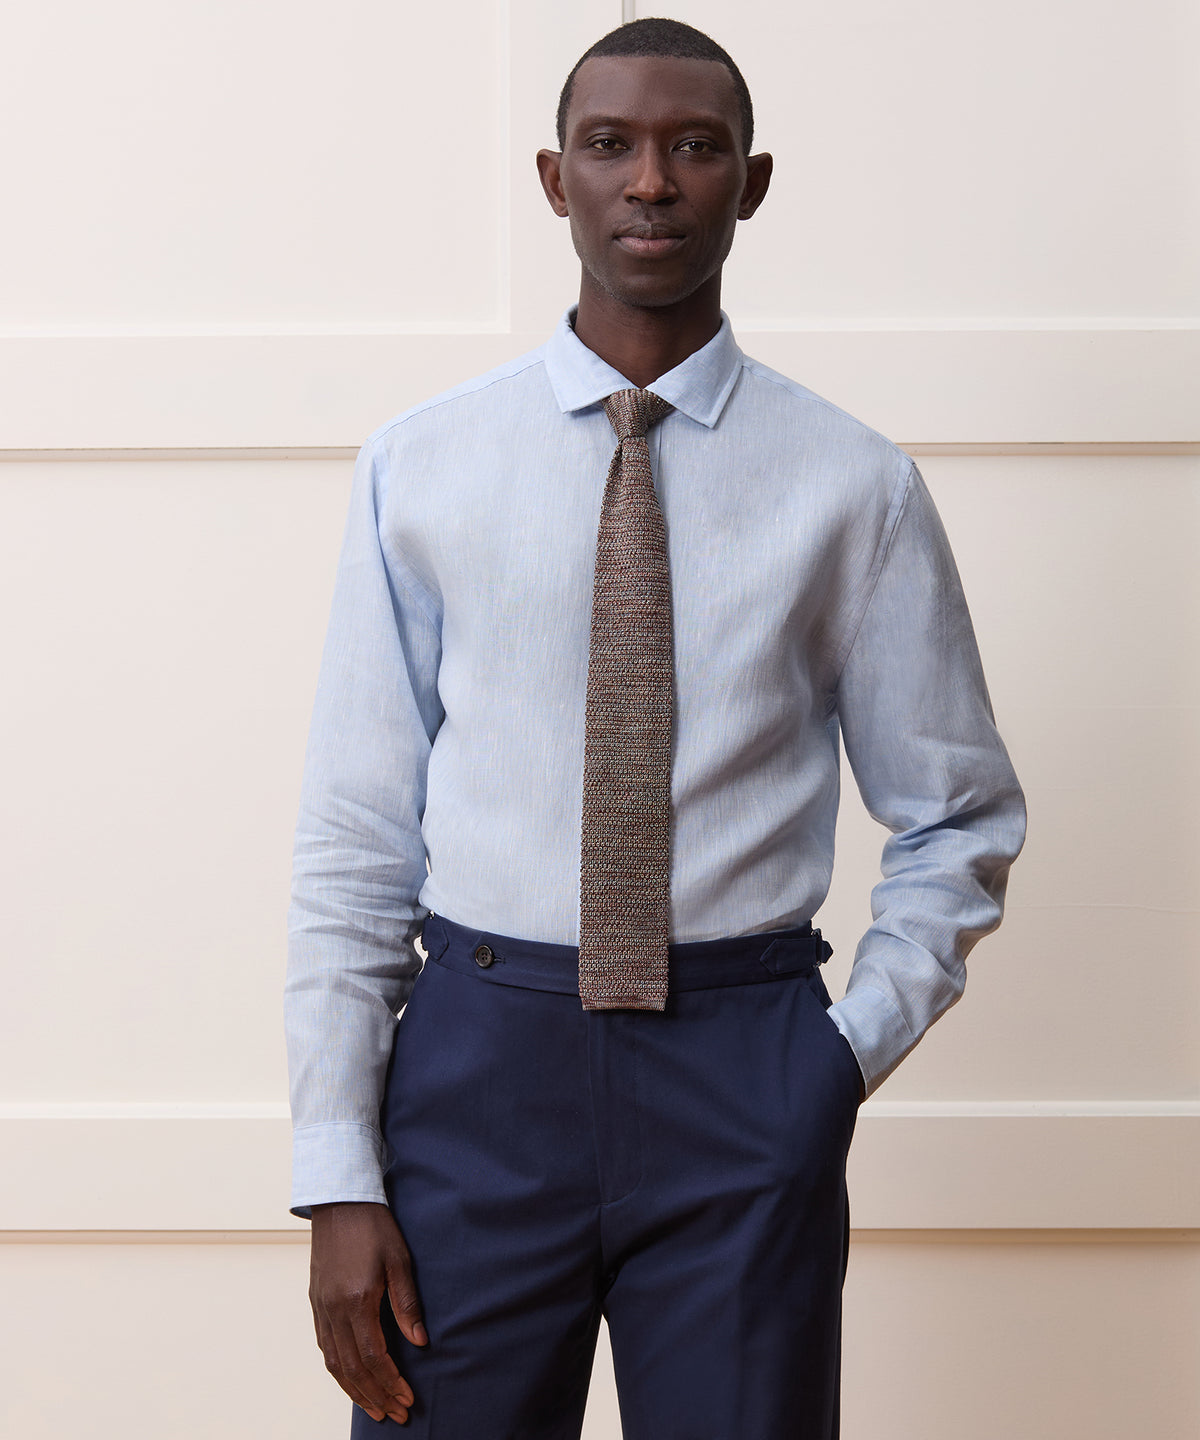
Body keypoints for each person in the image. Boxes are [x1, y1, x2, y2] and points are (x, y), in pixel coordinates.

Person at [285, 17, 1026, 1439]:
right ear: (552, 177)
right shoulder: (422, 467)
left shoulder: (854, 486)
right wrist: (337, 1170)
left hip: (744, 1070)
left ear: (751, 183)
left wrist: (833, 1063)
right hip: (476, 1070)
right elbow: (356, 832)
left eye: (694, 147)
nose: (650, 181)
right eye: (611, 145)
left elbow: (958, 814)